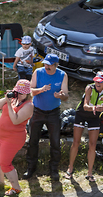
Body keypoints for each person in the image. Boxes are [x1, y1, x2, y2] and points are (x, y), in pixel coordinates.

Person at [23, 53, 69, 181]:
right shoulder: (38, 72)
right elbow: (30, 91)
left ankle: (54, 169)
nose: (47, 67)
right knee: (33, 141)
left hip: (54, 113)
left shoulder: (62, 75)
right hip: (37, 111)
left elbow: (66, 96)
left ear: (56, 65)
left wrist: (61, 95)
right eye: (46, 64)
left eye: (49, 65)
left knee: (55, 142)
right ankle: (31, 167)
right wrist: (41, 89)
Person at [0, 79, 34, 195]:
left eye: (22, 93)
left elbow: (15, 120)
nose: (19, 95)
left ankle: (16, 187)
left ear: (28, 94)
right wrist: (6, 99)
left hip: (13, 138)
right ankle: (0, 182)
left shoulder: (29, 106)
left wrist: (9, 105)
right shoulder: (13, 99)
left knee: (5, 163)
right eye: (17, 92)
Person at [66, 72, 103, 182]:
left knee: (92, 145)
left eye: (100, 82)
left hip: (94, 117)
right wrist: (95, 108)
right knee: (76, 142)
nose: (97, 83)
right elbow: (85, 106)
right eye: (96, 80)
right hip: (82, 114)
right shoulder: (89, 88)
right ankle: (70, 168)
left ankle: (90, 173)